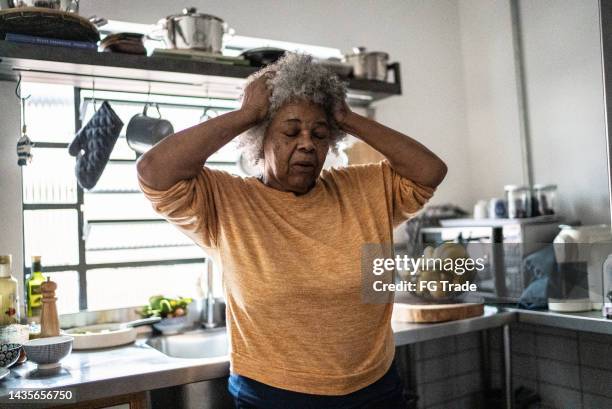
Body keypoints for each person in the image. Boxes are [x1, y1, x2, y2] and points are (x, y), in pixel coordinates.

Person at [137, 52, 447, 409]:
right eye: (290, 131)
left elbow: (430, 170)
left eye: (319, 134)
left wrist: (346, 117)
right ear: (260, 139)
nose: (306, 144)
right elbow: (153, 170)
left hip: (375, 389)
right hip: (273, 395)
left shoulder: (365, 189)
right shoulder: (225, 200)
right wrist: (245, 114)